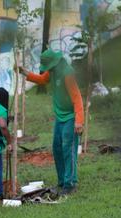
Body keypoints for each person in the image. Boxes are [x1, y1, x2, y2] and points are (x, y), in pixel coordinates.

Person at [17, 49, 84, 195]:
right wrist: (25, 72)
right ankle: (62, 182)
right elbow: (42, 79)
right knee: (57, 149)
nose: (47, 70)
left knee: (68, 149)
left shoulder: (67, 73)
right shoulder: (52, 71)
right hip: (60, 117)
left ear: (53, 63)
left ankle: (70, 184)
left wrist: (79, 121)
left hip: (71, 117)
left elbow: (77, 97)